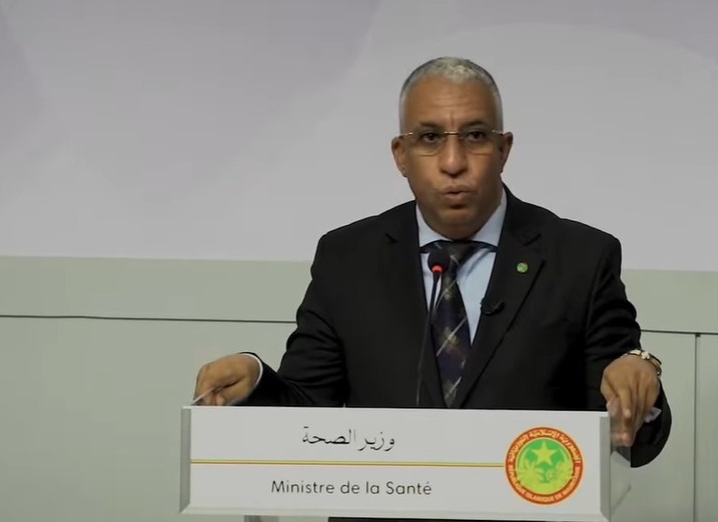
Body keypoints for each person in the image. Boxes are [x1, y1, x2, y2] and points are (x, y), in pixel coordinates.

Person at [193, 57, 671, 471]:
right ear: (401, 156)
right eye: (429, 138)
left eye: (475, 136)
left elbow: (629, 440)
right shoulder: (348, 258)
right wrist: (255, 381)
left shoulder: (580, 258)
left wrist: (637, 397)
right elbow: (305, 411)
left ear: (504, 150)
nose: (453, 162)